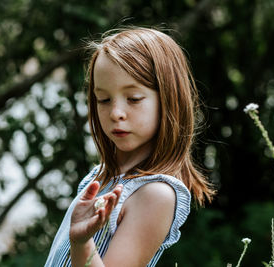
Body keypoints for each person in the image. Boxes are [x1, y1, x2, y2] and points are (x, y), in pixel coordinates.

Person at [44, 27, 215, 267]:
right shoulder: (101, 175)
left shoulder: (155, 194)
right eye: (103, 100)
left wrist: (82, 243)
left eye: (133, 99)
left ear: (169, 100)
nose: (116, 113)